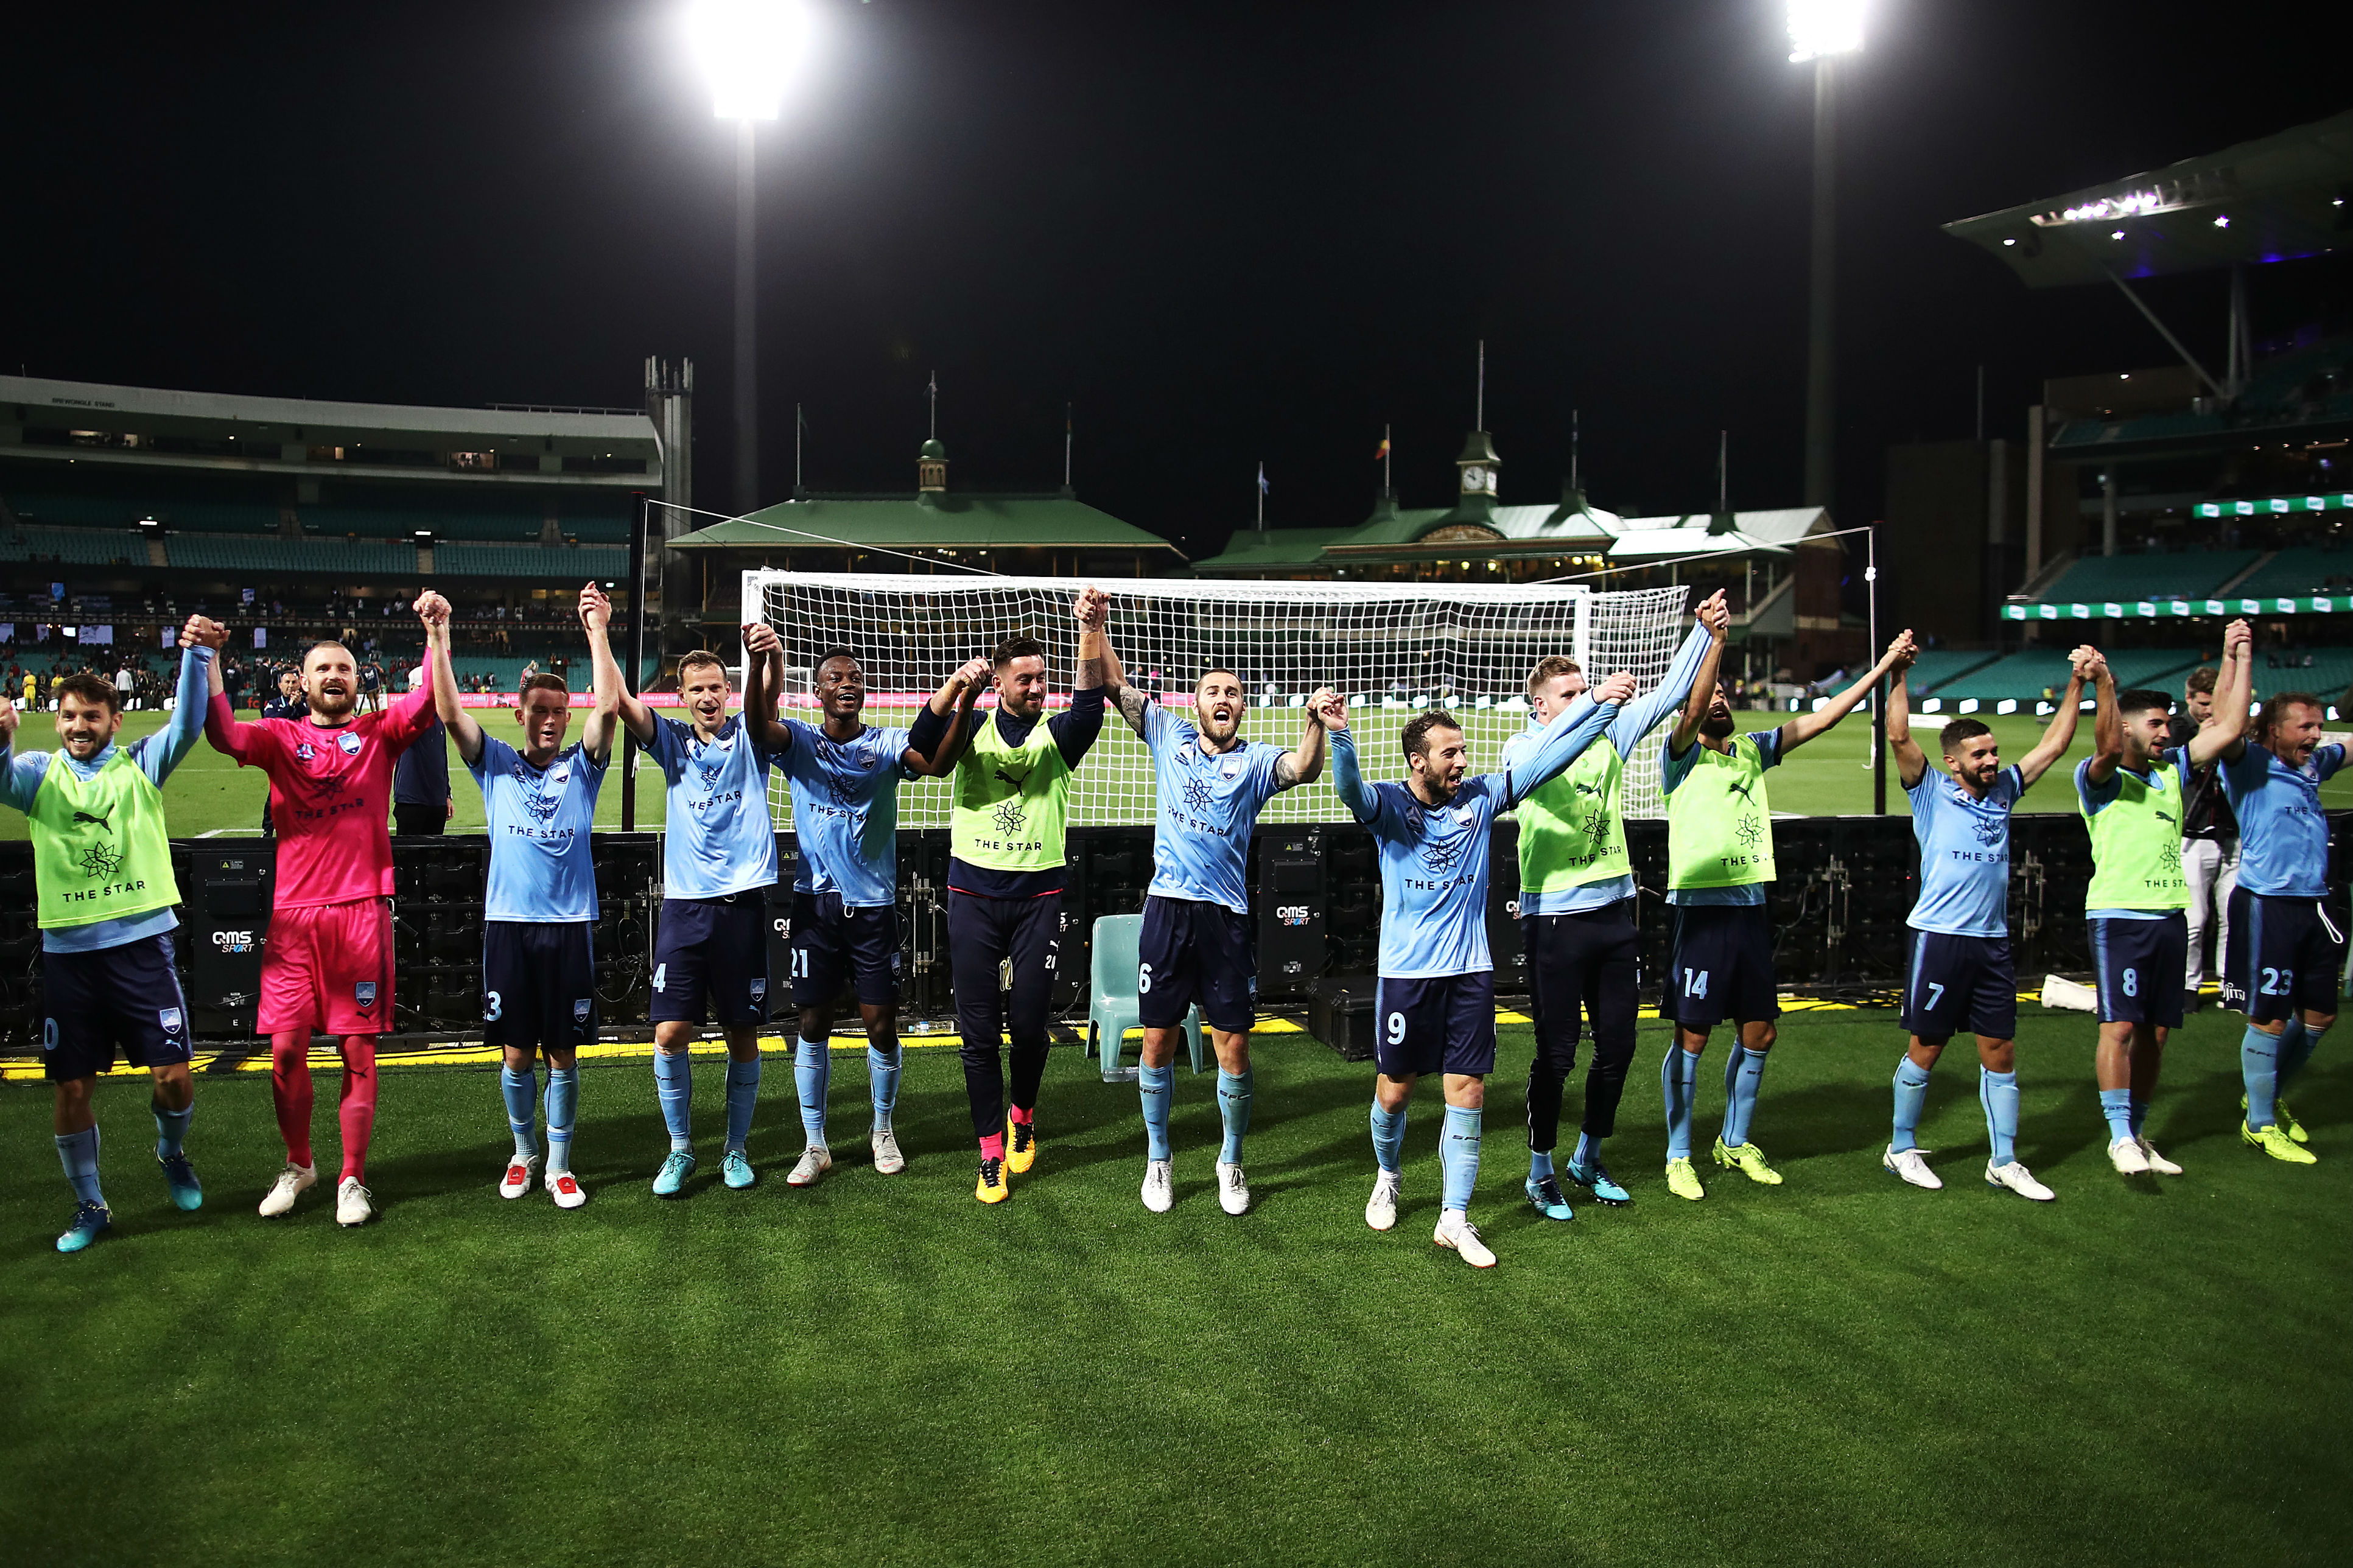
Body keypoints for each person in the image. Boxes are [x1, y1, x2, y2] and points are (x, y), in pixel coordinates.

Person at [1325, 674, 1632, 1269]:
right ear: (1418, 761)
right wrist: (1340, 736)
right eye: (1450, 753)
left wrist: (1596, 706)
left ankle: (1454, 1217)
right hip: (1408, 975)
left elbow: (1552, 757)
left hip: (1469, 972)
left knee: (1467, 1092)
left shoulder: (1482, 796)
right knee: (1395, 1092)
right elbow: (1348, 789)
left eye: (1463, 750)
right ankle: (1388, 1174)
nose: (1462, 761)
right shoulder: (1389, 806)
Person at [1658, 637, 1912, 1201]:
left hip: (1749, 911)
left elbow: (1824, 718)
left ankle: (1734, 1142)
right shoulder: (1679, 756)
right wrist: (1715, 642)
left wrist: (1882, 668)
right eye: (1708, 694)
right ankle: (1678, 1156)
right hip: (1700, 914)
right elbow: (1693, 710)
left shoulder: (1752, 749)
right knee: (1693, 1037)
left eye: (1723, 693)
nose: (1718, 700)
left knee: (1760, 1032)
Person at [203, 626, 438, 1226]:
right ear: (302, 681)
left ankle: (352, 1177)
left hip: (361, 912)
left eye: (344, 668)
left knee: (357, 1049)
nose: (334, 675)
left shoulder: (379, 733)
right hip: (294, 918)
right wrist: (208, 659)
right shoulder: (281, 736)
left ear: (358, 680)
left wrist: (436, 633)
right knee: (286, 1051)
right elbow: (223, 734)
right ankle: (300, 1164)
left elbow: (430, 700)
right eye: (323, 668)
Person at [1510, 589, 1728, 1222]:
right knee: (1556, 1054)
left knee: (1619, 1047)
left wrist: (1702, 631)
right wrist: (1595, 705)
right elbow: (1546, 760)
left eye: (1584, 689)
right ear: (1541, 705)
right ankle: (1540, 1171)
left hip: (1612, 915)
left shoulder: (1610, 730)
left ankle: (1588, 1156)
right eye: (1569, 694)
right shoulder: (1521, 748)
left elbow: (1669, 694)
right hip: (1554, 920)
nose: (1583, 698)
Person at [1, 624, 216, 1251]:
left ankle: (171, 1151)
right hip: (71, 957)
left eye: (91, 716)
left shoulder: (139, 765)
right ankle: (90, 1203)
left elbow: (188, 725)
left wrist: (197, 654)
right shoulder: (39, 773)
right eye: (69, 716)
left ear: (114, 721)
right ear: (57, 721)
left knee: (172, 1077)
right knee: (71, 1086)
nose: (78, 726)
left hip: (142, 948)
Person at [1102, 639, 1334, 1216]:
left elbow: (1304, 769)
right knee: (1156, 1040)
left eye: (1232, 692)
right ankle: (1159, 1158)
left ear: (1242, 708)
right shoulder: (1168, 735)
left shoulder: (1255, 762)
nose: (1222, 698)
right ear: (1197, 703)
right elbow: (1115, 685)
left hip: (1225, 920)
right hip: (1168, 912)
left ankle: (1230, 1161)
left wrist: (1314, 723)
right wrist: (1095, 626)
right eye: (1212, 691)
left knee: (1233, 1046)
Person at [734, 624, 970, 1187]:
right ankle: (814, 1144)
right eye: (836, 678)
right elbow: (756, 728)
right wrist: (759, 665)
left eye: (856, 677)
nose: (848, 684)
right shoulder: (798, 741)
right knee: (812, 1021)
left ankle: (882, 1129)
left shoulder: (885, 744)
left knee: (880, 1024)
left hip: (873, 908)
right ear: (817, 691)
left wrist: (964, 702)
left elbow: (938, 764)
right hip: (814, 906)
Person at [421, 584, 617, 1209]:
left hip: (568, 925)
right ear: (520, 714)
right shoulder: (496, 763)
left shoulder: (583, 767)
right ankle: (523, 1151)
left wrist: (597, 631)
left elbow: (609, 706)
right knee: (515, 1052)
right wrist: (438, 636)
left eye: (559, 710)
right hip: (509, 923)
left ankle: (559, 1163)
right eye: (539, 710)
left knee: (562, 1051)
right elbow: (449, 713)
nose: (550, 719)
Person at [1879, 639, 2091, 1202]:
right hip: (1940, 938)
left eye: (1994, 752)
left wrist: (2077, 683)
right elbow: (1898, 736)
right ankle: (1900, 1148)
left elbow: (2053, 745)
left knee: (2000, 1051)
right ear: (1953, 762)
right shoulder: (1929, 790)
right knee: (1927, 1046)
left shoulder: (2005, 791)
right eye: (1980, 755)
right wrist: (1898, 673)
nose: (1992, 761)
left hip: (1991, 943)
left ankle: (2004, 1161)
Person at [927, 588, 1110, 1203]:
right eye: (1024, 679)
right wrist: (959, 689)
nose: (1036, 687)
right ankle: (989, 1152)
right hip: (972, 893)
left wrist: (1089, 628)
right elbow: (925, 745)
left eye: (1041, 677)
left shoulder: (1058, 736)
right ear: (1000, 682)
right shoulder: (973, 728)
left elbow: (1089, 707)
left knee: (1030, 1027)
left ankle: (1023, 1116)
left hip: (1039, 896)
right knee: (978, 1034)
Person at [606, 639, 784, 1197]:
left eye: (714, 687)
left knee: (742, 1033)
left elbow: (768, 699)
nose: (707, 697)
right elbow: (621, 702)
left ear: (728, 691)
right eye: (696, 689)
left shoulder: (751, 734)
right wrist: (600, 631)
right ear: (681, 696)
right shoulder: (672, 742)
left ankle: (735, 1149)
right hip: (685, 906)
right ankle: (680, 1149)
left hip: (742, 904)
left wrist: (769, 658)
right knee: (670, 1031)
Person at [2074, 631, 2250, 1178]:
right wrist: (2104, 683)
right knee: (2119, 1029)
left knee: (2156, 1034)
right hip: (2119, 917)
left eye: (2168, 724)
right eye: (2155, 723)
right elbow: (2106, 749)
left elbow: (2229, 727)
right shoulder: (2099, 777)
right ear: (2125, 726)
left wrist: (2237, 656)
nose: (2166, 732)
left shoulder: (2171, 769)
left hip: (2171, 916)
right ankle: (2118, 1138)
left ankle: (2137, 1134)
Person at [2218, 681, 2346, 1166]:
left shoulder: (2313, 764)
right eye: (2305, 726)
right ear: (2274, 730)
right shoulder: (2248, 763)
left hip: (2314, 904)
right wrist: (2238, 656)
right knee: (2269, 1017)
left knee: (2320, 1017)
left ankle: (2264, 1097)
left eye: (2319, 726)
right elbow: (2229, 728)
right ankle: (2260, 1125)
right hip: (2267, 904)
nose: (2315, 735)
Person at [2172, 663, 2242, 1012]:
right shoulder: (2177, 729)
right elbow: (2178, 766)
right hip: (2192, 835)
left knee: (2233, 916)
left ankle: (2232, 985)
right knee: (2195, 920)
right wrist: (2207, 735)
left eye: (2215, 704)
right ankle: (2188, 986)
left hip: (2231, 834)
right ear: (2189, 699)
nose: (2209, 710)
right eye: (2203, 704)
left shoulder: (2233, 731)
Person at [391, 661, 452, 835]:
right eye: (423, 688)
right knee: (409, 852)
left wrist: (447, 795)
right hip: (411, 801)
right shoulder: (405, 714)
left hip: (437, 802)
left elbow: (442, 759)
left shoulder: (439, 718)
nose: (429, 693)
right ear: (411, 688)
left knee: (435, 851)